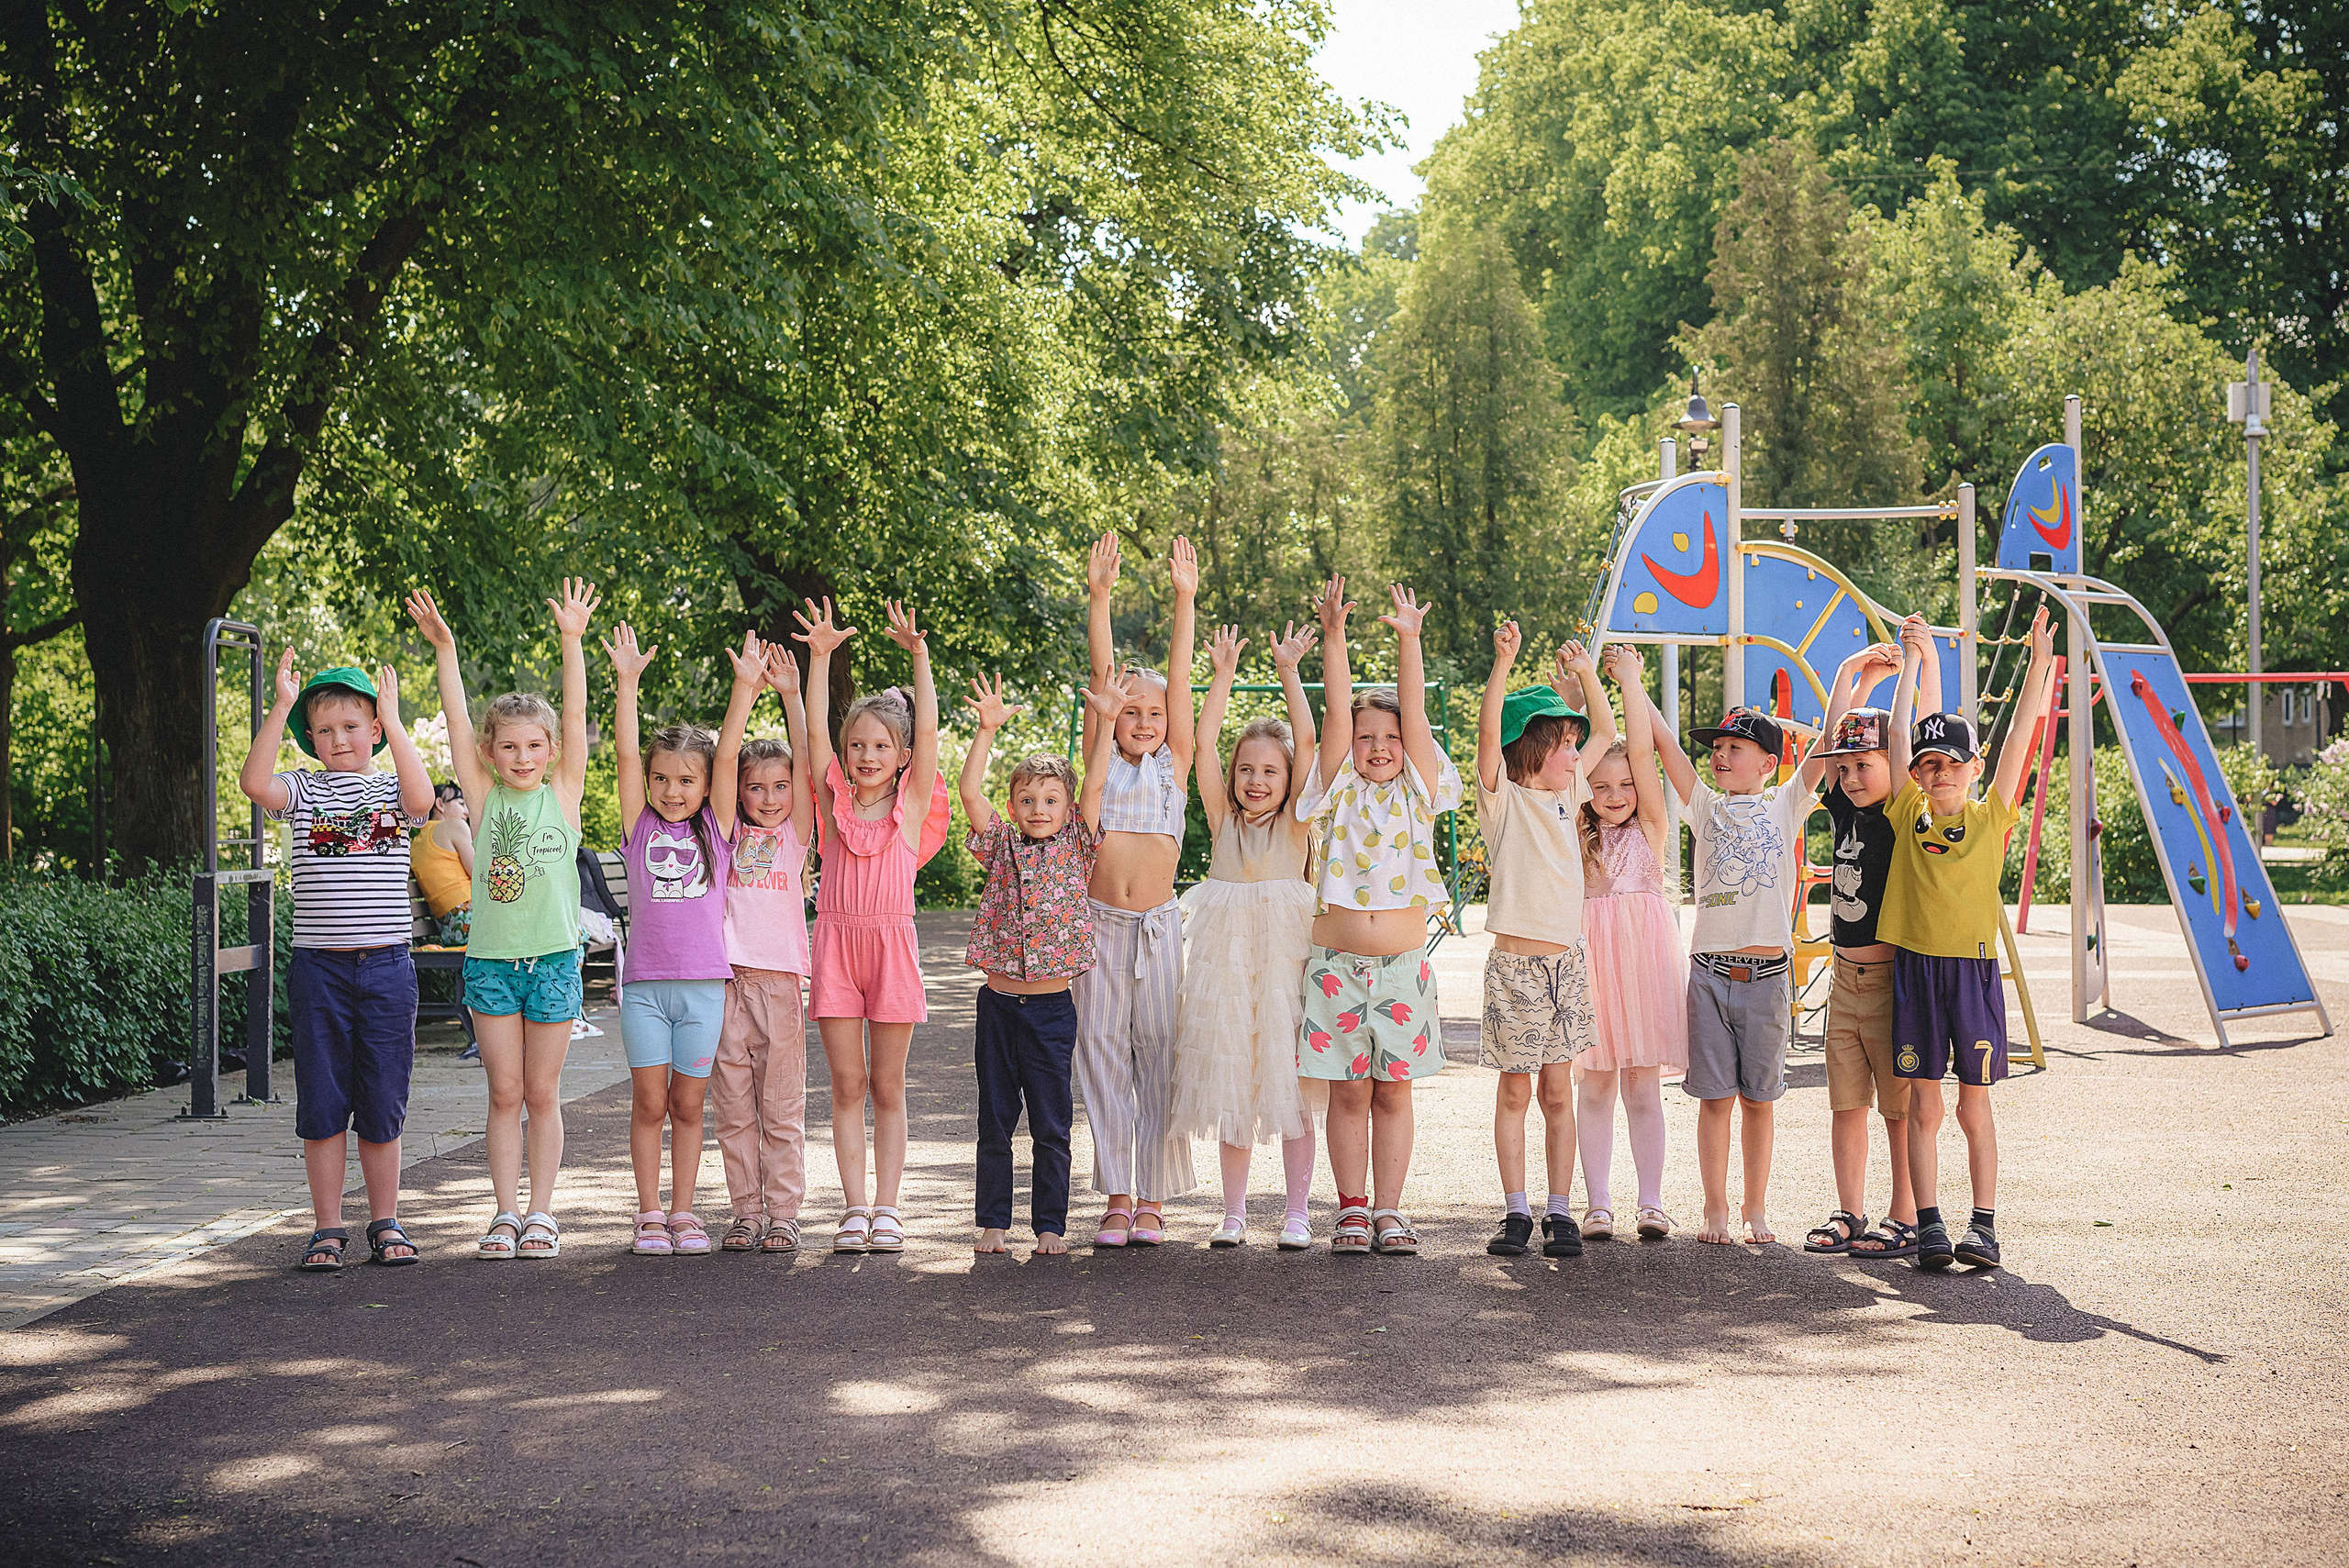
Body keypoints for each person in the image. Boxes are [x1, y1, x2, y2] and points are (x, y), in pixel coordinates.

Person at [408, 581, 597, 1260]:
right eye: (509, 747)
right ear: (491, 754)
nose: (523, 756)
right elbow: (458, 722)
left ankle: (543, 1212)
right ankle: (505, 1212)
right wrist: (446, 650)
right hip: (490, 964)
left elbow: (576, 717)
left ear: (549, 750)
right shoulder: (483, 804)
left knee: (542, 1092)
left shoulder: (565, 796)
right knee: (505, 1091)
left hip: (551, 961)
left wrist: (572, 642)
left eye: (534, 745)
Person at [239, 652, 434, 1271]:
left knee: (381, 1099)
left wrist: (396, 720)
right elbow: (253, 781)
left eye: (352, 726)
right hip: (320, 969)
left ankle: (385, 1219)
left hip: (385, 967)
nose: (338, 739)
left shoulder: (390, 789)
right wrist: (280, 706)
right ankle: (327, 1226)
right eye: (324, 730)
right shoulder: (302, 788)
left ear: (373, 730)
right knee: (321, 1101)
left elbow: (423, 797)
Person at [1885, 606, 2058, 1272]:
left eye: (1950, 763)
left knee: (1971, 1103)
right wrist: (1917, 663)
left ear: (1973, 767)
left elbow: (2019, 736)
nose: (1937, 774)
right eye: (1927, 765)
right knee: (1922, 1101)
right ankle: (1929, 1222)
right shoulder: (1906, 812)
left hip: (1972, 974)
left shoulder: (1992, 819)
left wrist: (2039, 663)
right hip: (1917, 971)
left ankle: (1982, 1224)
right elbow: (1905, 729)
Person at [1296, 582, 1464, 1256]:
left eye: (1390, 736)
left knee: (1392, 1096)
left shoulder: (1419, 792)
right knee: (1347, 1094)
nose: (1378, 745)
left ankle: (1391, 1208)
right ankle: (1353, 1208)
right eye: (1367, 736)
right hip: (1335, 971)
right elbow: (1337, 712)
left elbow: (1416, 713)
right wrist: (1333, 635)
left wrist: (1409, 641)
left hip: (1400, 970)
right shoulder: (1334, 790)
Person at [795, 596, 949, 1254]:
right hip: (835, 943)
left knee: (887, 1085)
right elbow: (812, 743)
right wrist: (820, 658)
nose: (864, 753)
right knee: (847, 1083)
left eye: (880, 745)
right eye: (857, 744)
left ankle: (888, 1205)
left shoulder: (912, 806)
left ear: (902, 753)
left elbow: (934, 734)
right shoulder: (832, 807)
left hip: (890, 945)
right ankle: (853, 1206)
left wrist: (918, 656)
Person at [1167, 618, 1325, 1251]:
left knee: (1291, 1090)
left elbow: (1309, 740)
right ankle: (1233, 1211)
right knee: (1235, 1084)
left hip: (1286, 973)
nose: (1256, 779)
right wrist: (1223, 675)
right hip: (1228, 974)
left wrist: (1289, 670)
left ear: (1289, 781)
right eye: (1247, 770)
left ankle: (1296, 1210)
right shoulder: (1223, 822)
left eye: (1270, 771)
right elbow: (1202, 745)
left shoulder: (1296, 826)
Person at [604, 625, 761, 1257]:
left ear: (702, 787)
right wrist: (627, 682)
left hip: (703, 988)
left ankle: (685, 1211)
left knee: (690, 1106)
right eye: (662, 778)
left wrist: (745, 688)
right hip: (644, 988)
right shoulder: (639, 825)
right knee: (649, 1102)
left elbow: (727, 757)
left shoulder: (718, 831)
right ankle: (647, 1213)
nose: (673, 790)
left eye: (685, 781)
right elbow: (620, 756)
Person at [1649, 686, 1826, 1246]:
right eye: (1717, 746)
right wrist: (1631, 678)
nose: (1719, 755)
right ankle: (1716, 1207)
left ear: (1770, 764)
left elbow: (1823, 751)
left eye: (1735, 746)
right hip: (1708, 976)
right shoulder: (1705, 807)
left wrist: (1855, 678)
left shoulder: (1785, 803)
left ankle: (1755, 1209)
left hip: (1768, 979)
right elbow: (1665, 747)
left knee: (1759, 1100)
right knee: (1714, 1099)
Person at [958, 672, 1119, 1256]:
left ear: (1068, 806)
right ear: (1013, 804)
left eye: (1050, 799)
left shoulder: (1078, 839)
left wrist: (1105, 722)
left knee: (1051, 1124)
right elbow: (968, 791)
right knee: (995, 1118)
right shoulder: (1000, 844)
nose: (1038, 808)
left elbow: (1096, 783)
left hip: (1052, 1008)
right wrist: (985, 731)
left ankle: (1050, 1225)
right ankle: (993, 1224)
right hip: (999, 1006)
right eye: (1026, 799)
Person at [1074, 531, 1201, 1246]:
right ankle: (1118, 1192)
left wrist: (1185, 600)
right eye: (1131, 712)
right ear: (1112, 716)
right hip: (1099, 926)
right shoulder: (1105, 763)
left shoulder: (1171, 767)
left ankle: (1153, 1194)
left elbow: (1178, 680)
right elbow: (1105, 673)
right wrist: (1100, 597)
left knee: (1157, 1050)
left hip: (1157, 925)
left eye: (1154, 713)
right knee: (1099, 1048)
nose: (1146, 720)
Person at [1475, 626, 1617, 1262]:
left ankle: (1560, 1210)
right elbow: (1486, 735)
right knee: (1515, 1091)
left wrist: (1588, 674)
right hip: (1515, 967)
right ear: (1531, 750)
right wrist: (1503, 664)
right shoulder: (1503, 800)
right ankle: (1515, 1210)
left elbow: (1608, 733)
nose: (1576, 753)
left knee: (1559, 1092)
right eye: (1564, 744)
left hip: (1567, 964)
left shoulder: (1571, 795)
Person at [1804, 637, 1922, 1262]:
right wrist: (1852, 674)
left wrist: (1905, 671)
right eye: (1844, 769)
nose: (1850, 778)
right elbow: (1831, 746)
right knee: (1846, 1102)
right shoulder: (1842, 810)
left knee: (1896, 1108)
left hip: (1888, 984)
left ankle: (1905, 1212)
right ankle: (1851, 1209)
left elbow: (1898, 743)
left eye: (1862, 766)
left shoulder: (1900, 810)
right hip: (1843, 983)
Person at [1573, 644, 1689, 1243]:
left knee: (1643, 1082)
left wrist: (1630, 682)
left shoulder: (1651, 827)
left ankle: (1650, 1200)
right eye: (1601, 784)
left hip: (1642, 966)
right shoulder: (1576, 832)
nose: (1616, 792)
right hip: (1593, 966)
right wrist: (1581, 688)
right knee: (1594, 1082)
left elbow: (1640, 751)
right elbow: (1568, 766)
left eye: (1625, 783)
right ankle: (1596, 1203)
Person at [715, 641, 817, 1254]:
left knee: (780, 1109)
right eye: (758, 787)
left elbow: (806, 763)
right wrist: (745, 689)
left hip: (780, 984)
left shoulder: (797, 836)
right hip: (726, 981)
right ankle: (746, 1211)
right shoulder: (727, 834)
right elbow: (724, 756)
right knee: (733, 1110)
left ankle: (784, 1212)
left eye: (780, 787)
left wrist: (791, 694)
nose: (771, 797)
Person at [414, 782, 474, 947]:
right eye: (461, 804)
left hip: (450, 929)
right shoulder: (454, 826)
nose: (467, 812)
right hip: (470, 920)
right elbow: (480, 875)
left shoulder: (416, 843)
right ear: (440, 804)